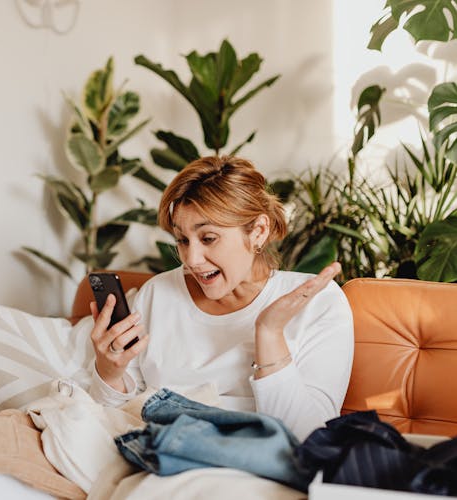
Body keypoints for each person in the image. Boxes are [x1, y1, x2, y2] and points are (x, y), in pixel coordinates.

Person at [88, 155, 354, 441]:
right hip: (156, 453)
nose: (191, 259)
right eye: (182, 240)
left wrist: (269, 334)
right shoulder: (157, 293)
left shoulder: (318, 303)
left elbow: (310, 437)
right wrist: (110, 374)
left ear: (258, 232)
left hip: (244, 467)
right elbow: (119, 415)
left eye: (208, 238)